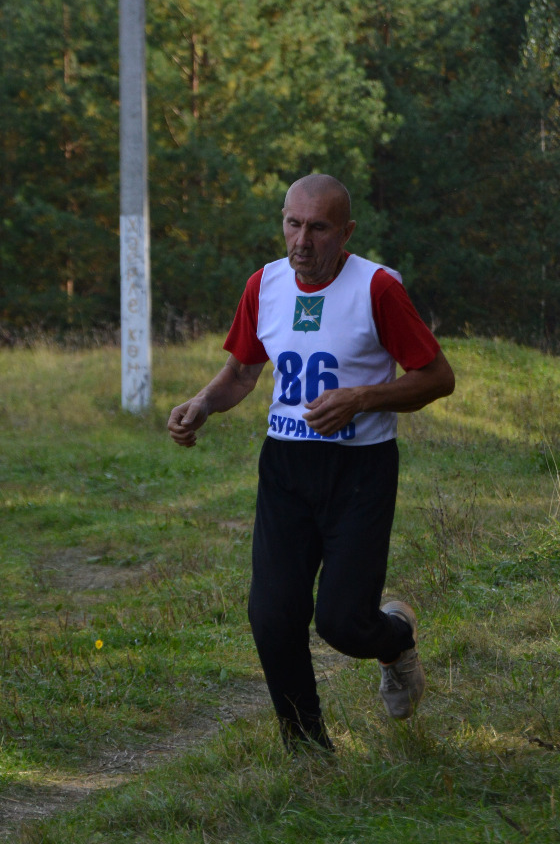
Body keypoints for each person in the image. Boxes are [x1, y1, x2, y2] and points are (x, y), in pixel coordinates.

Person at [167, 173, 455, 751]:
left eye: (319, 228)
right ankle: (307, 751)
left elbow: (437, 378)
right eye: (292, 224)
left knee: (343, 623)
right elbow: (242, 372)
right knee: (272, 616)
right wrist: (203, 403)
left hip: (360, 470)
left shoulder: (376, 288)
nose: (302, 241)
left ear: (346, 232)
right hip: (286, 467)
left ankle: (396, 638)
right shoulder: (264, 284)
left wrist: (362, 397)